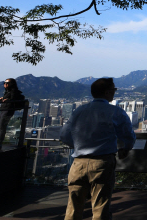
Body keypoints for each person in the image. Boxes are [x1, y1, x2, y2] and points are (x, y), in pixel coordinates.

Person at [60, 78, 136, 220]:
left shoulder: (79, 111)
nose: (114, 93)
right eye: (113, 90)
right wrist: (125, 148)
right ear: (107, 92)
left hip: (78, 163)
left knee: (73, 207)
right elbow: (128, 135)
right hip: (102, 163)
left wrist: (77, 146)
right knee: (100, 206)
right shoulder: (115, 111)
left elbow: (64, 135)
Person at [0, 78, 25, 150]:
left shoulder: (14, 91)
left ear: (11, 84)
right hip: (3, 110)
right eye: (4, 83)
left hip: (8, 111)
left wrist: (8, 100)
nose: (5, 84)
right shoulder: (8, 91)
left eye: (7, 83)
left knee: (1, 127)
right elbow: (10, 98)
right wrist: (3, 98)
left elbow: (13, 99)